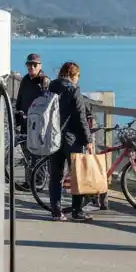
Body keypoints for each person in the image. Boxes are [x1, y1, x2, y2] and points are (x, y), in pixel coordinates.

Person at [47, 61, 94, 222]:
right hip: (71, 138)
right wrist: (88, 140)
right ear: (73, 75)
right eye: (78, 76)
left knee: (56, 174)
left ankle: (56, 210)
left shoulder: (52, 87)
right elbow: (81, 117)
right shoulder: (74, 90)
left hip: (53, 137)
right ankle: (77, 211)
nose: (78, 80)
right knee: (76, 175)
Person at [15, 53, 49, 129]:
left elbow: (48, 104)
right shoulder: (25, 79)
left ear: (40, 66)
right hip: (25, 122)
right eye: (29, 65)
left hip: (38, 125)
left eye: (35, 65)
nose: (32, 67)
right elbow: (19, 99)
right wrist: (17, 120)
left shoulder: (44, 81)